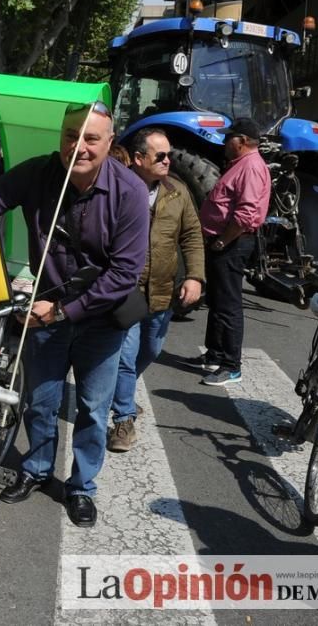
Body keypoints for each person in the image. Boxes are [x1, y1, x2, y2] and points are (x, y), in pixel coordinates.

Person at [0, 102, 149, 527]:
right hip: (46, 309)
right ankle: (35, 469)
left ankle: (81, 487)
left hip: (98, 319)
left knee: (92, 407)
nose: (79, 146)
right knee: (40, 401)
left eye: (91, 138)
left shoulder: (130, 192)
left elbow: (125, 273)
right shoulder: (39, 173)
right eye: (71, 135)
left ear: (109, 143)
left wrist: (63, 312)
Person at [107, 128, 204, 452]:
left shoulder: (178, 192)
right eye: (160, 156)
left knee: (151, 349)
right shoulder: (115, 188)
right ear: (138, 159)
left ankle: (122, 394)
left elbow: (191, 235)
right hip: (127, 289)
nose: (168, 160)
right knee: (126, 354)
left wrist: (195, 277)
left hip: (163, 291)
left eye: (169, 155)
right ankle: (123, 420)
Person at [179, 117, 270, 386]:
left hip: (232, 242)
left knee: (229, 305)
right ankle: (215, 355)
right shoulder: (240, 165)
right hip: (224, 241)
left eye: (229, 137)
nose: (224, 141)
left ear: (241, 141)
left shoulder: (251, 167)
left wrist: (223, 241)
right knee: (218, 302)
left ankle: (231, 365)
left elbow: (246, 214)